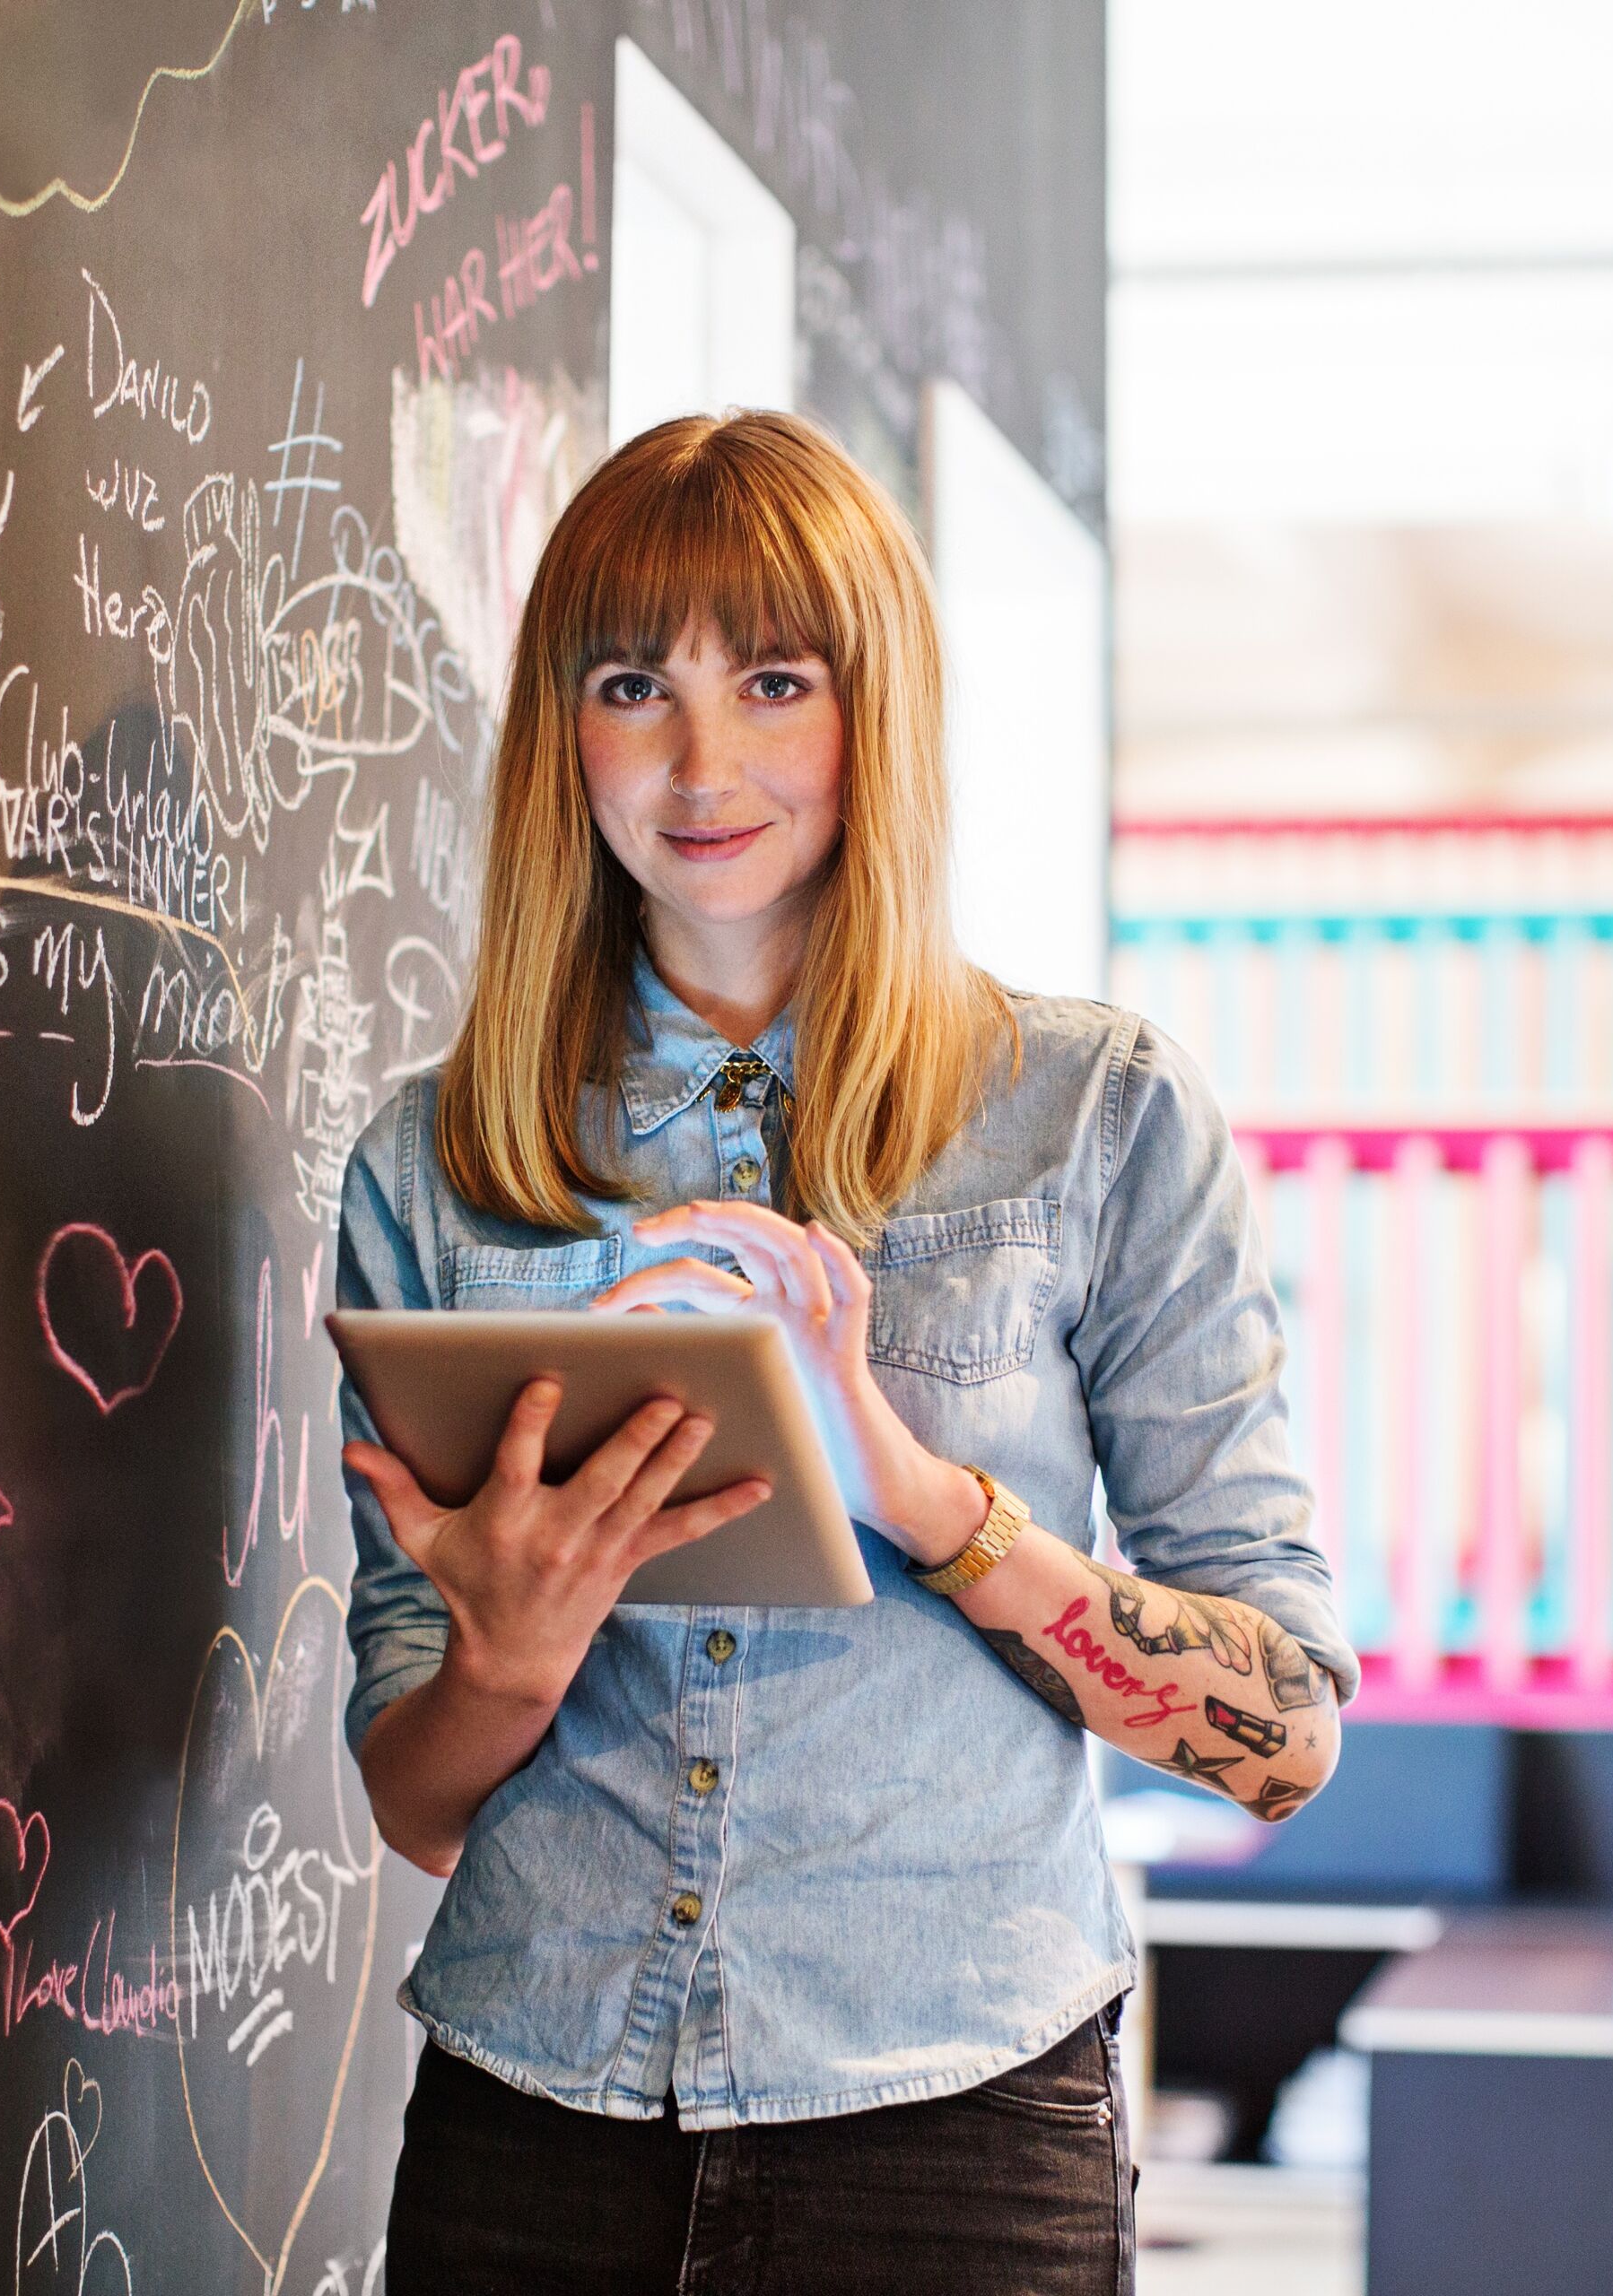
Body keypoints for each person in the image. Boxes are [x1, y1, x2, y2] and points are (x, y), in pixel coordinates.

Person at [334, 410, 1356, 2295]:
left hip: (957, 2122)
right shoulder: (439, 1157)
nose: (702, 760)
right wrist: (515, 1645)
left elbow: (1283, 1732)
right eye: (635, 682)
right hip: (532, 2116)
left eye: (775, 680)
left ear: (869, 716)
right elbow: (413, 1792)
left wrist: (902, 1479)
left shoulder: (1092, 1116)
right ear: (565, 731)